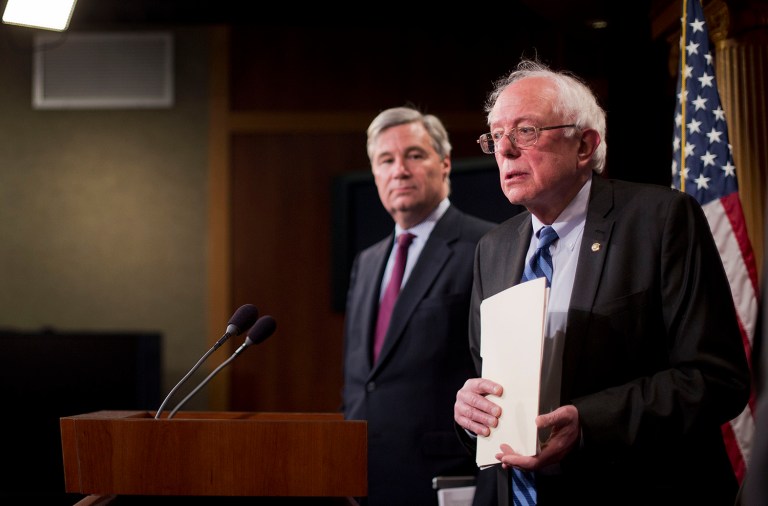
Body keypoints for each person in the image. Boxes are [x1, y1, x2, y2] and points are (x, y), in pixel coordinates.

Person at [453, 59, 751, 505]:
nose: (506, 150)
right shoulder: (492, 249)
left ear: (585, 145)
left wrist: (589, 422)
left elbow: (715, 379)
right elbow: (490, 383)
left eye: (526, 131)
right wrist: (469, 413)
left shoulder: (661, 221)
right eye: (495, 136)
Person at [341, 106, 496, 506]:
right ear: (375, 173)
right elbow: (363, 377)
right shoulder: (367, 260)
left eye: (414, 155)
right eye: (386, 160)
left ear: (444, 164)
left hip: (444, 476)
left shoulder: (488, 246)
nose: (400, 170)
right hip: (365, 474)